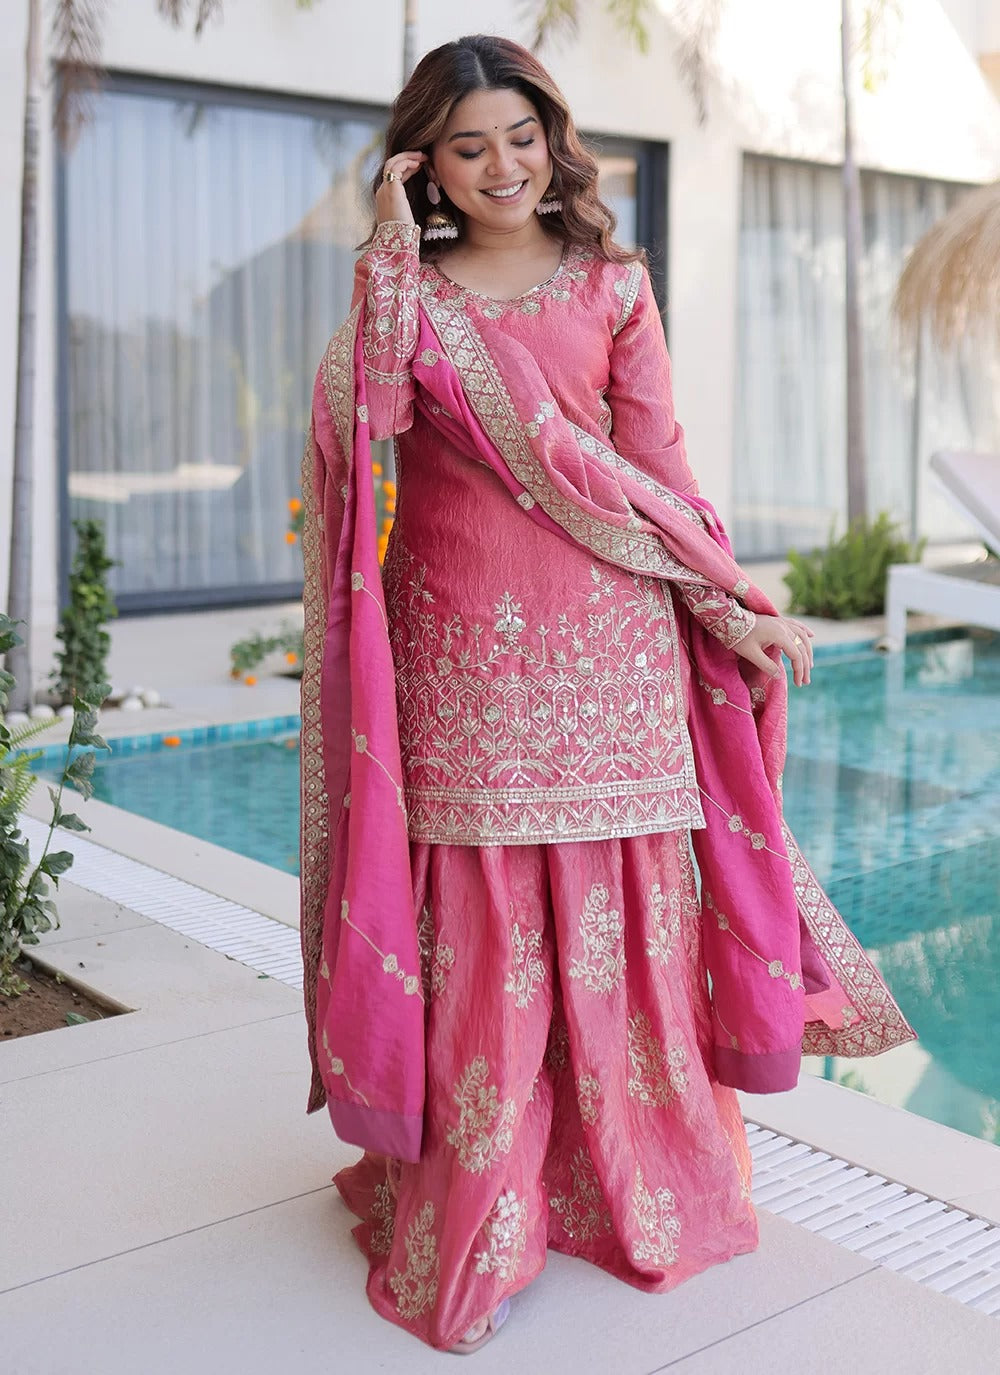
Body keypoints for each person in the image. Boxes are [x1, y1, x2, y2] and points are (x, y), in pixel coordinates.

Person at [298, 34, 914, 1355]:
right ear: (426, 164)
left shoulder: (613, 287)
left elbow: (662, 471)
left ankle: (628, 1180)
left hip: (611, 649)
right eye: (469, 146)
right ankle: (482, 1200)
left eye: (521, 137)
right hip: (458, 641)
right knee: (482, 917)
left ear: (553, 141)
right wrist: (391, 254)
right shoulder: (408, 294)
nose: (503, 166)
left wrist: (735, 608)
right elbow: (365, 434)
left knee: (612, 914)